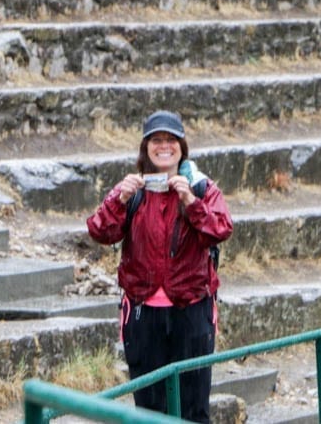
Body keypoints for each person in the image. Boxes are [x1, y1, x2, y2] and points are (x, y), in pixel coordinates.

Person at [86, 110, 233, 424]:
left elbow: (221, 230)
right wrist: (118, 200)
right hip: (143, 313)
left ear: (181, 146)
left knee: (194, 407)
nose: (164, 146)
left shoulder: (202, 188)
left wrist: (191, 203)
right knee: (150, 409)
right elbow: (100, 231)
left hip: (192, 309)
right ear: (146, 147)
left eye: (171, 140)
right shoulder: (131, 190)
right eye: (156, 140)